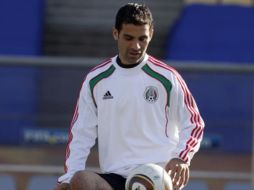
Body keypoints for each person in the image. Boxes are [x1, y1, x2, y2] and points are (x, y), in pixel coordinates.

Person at [55, 3, 205, 190]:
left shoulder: (167, 78)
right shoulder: (96, 79)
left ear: (151, 35)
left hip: (155, 175)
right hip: (115, 176)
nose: (136, 46)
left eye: (143, 39)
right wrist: (68, 178)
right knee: (81, 180)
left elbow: (195, 122)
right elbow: (81, 133)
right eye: (129, 38)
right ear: (115, 33)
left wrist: (181, 157)